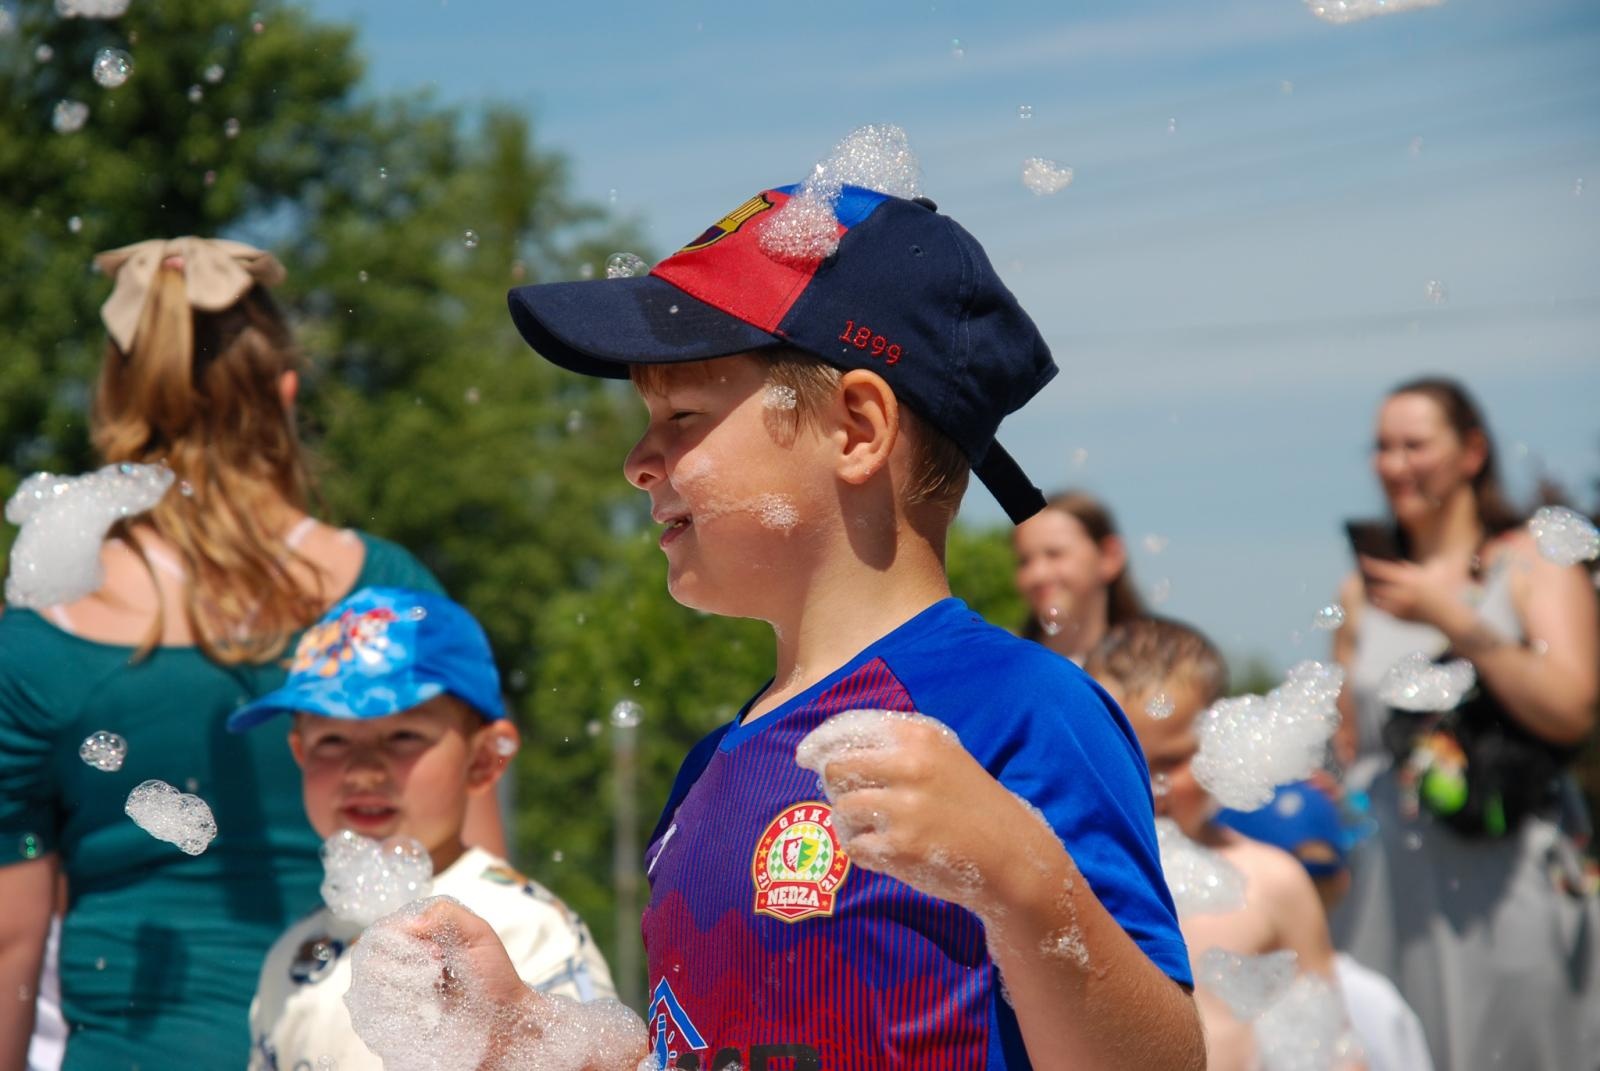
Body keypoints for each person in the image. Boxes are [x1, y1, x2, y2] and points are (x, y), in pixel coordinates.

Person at [394, 180, 1205, 1068]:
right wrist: (530, 1034)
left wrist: (1022, 878)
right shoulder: (716, 762)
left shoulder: (1018, 708)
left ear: (857, 427)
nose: (637, 462)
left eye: (682, 415)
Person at [0, 238, 502, 1070]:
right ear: (286, 393)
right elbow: (478, 882)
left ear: (114, 404)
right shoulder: (385, 594)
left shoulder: (36, 644)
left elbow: (12, 944)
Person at [1327, 377, 1600, 1071]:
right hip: (1388, 883)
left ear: (1472, 451)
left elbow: (1573, 709)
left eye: (1415, 444)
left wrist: (1453, 619)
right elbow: (1347, 742)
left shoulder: (1533, 563)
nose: (1394, 464)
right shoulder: (1363, 589)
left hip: (1504, 876)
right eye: (1383, 447)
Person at [231, 587, 613, 1071]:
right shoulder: (292, 951)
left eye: (403, 736)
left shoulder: (522, 925)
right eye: (331, 740)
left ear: (484, 759)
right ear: (300, 753)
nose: (364, 771)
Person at [1084, 617, 1360, 1071]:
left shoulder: (1270, 881)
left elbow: (1332, 1047)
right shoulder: (1077, 874)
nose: (1151, 786)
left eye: (1172, 761)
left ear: (1223, 744)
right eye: (1126, 757)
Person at [1217, 781, 1436, 1071]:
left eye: (1315, 875)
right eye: (1280, 881)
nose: (1297, 897)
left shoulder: (1372, 1004)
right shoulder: (1211, 992)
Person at [1013, 490, 1144, 663]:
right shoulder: (1007, 662)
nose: (1037, 574)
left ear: (1109, 556)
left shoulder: (1148, 666)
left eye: (1054, 554)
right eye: (1024, 561)